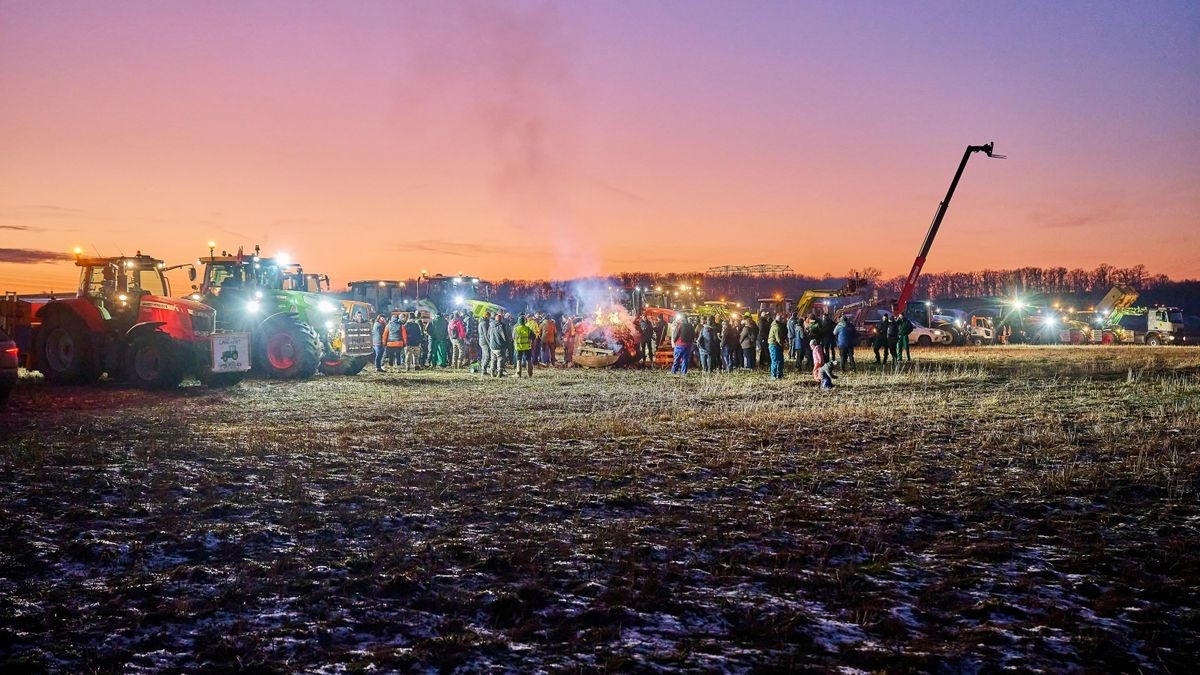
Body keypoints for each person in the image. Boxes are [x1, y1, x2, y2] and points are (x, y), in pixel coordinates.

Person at [487, 312, 507, 377]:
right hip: (499, 346)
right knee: (500, 359)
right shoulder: (501, 326)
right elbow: (504, 337)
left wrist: (491, 342)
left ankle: (492, 373)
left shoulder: (490, 326)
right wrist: (506, 343)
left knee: (493, 359)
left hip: (492, 346)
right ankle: (499, 373)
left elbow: (488, 335)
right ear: (501, 320)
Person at [768, 312, 786, 380]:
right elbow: (778, 339)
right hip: (774, 345)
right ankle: (774, 375)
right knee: (775, 360)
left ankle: (780, 375)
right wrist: (782, 346)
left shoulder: (776, 325)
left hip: (776, 345)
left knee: (780, 360)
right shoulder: (776, 327)